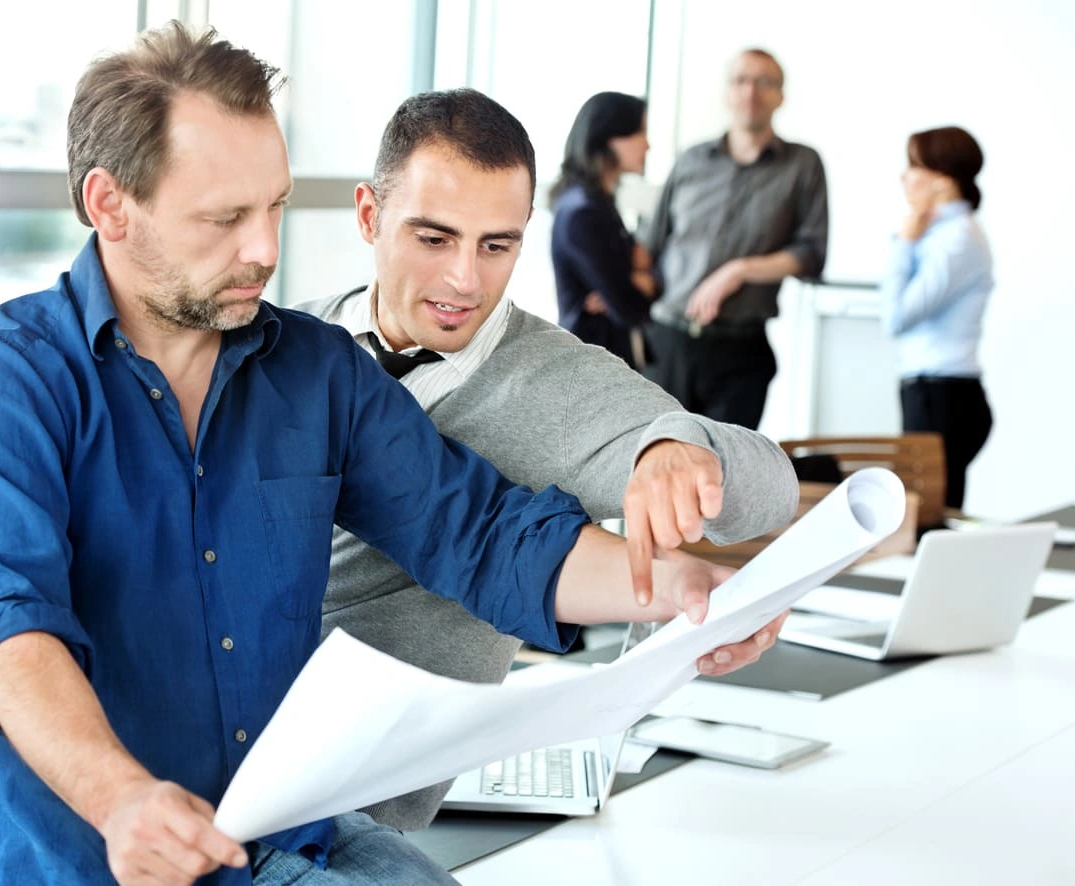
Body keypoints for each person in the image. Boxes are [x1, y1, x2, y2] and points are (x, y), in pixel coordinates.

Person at [0, 23, 785, 886]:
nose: (264, 249)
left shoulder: (315, 370)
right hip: (71, 849)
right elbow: (7, 630)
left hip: (274, 827)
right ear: (109, 204)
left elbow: (484, 536)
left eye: (273, 206)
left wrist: (688, 591)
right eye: (225, 217)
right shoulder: (7, 377)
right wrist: (121, 796)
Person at [296, 87, 799, 831]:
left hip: (356, 820)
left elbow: (773, 488)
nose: (465, 279)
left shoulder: (559, 384)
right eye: (433, 239)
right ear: (370, 216)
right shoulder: (281, 349)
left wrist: (678, 446)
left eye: (495, 245)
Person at [643, 47, 828, 429]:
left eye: (764, 82)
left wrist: (739, 270)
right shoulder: (691, 160)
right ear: (728, 92)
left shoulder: (802, 165)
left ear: (780, 96)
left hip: (741, 351)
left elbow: (811, 254)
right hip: (668, 342)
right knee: (652, 466)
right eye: (741, 81)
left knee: (726, 477)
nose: (751, 92)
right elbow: (652, 242)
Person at [880, 126, 993, 513]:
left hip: (945, 398)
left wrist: (905, 244)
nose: (904, 177)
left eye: (913, 166)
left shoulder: (957, 238)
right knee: (925, 516)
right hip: (932, 393)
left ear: (943, 179)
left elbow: (896, 317)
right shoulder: (942, 233)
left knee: (928, 520)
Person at [549, 91, 655, 368]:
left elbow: (637, 270)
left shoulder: (598, 203)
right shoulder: (583, 212)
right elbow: (628, 306)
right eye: (640, 132)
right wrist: (640, 282)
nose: (648, 145)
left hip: (604, 359)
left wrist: (634, 279)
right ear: (610, 138)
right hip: (591, 366)